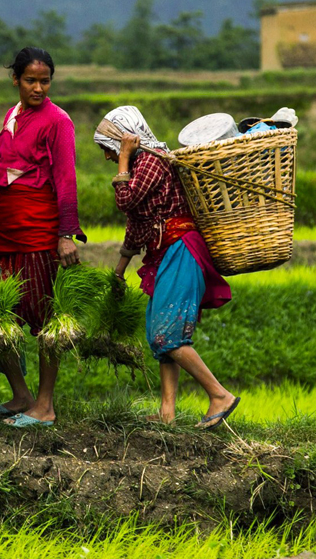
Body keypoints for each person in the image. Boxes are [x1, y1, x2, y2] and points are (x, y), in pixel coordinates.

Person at [94, 106, 240, 429]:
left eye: (108, 148)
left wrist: (123, 158)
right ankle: (167, 412)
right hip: (164, 254)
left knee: (168, 335)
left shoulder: (152, 160)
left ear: (124, 139)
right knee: (159, 335)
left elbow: (125, 201)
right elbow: (136, 226)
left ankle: (220, 395)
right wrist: (119, 270)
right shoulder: (141, 164)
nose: (107, 156)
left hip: (180, 250)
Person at [0, 47, 85, 428]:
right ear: (16, 80)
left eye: (45, 81)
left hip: (39, 230)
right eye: (31, 80)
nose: (39, 88)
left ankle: (45, 406)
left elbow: (66, 179)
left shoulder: (58, 121)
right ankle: (21, 395)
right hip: (6, 227)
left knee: (44, 319)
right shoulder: (12, 115)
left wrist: (66, 234)